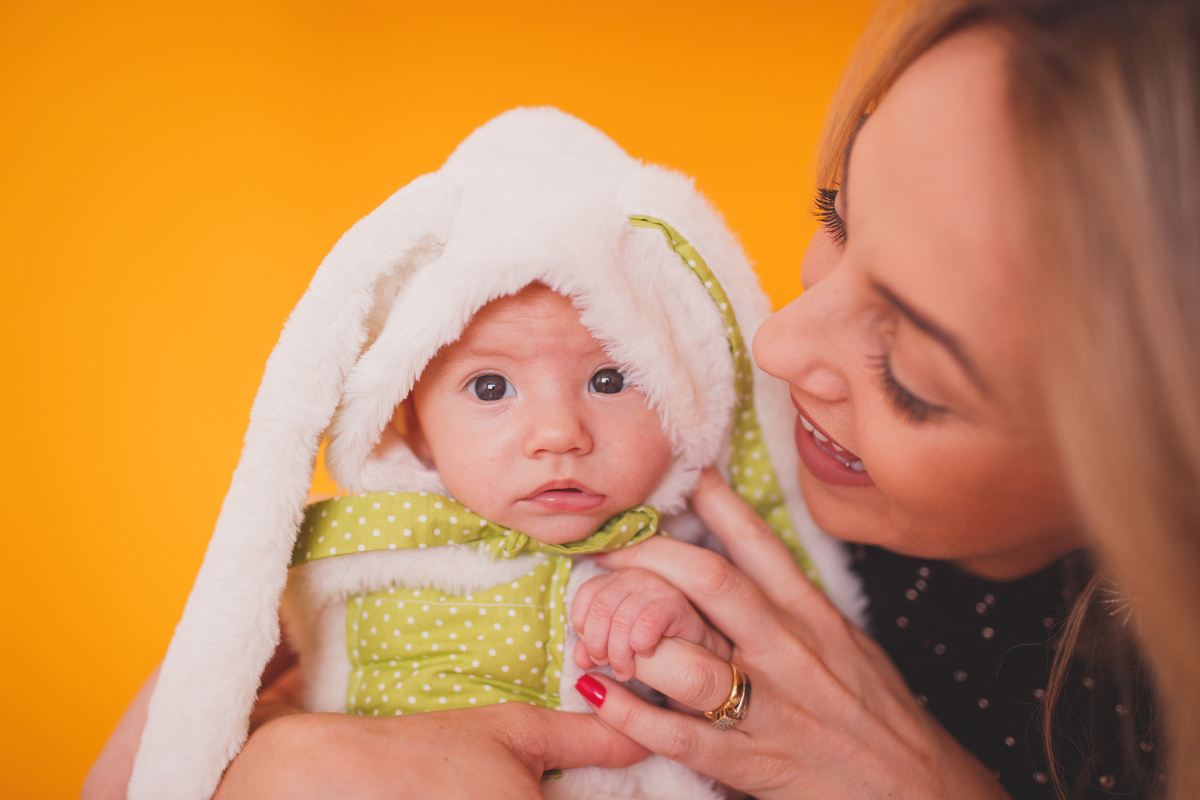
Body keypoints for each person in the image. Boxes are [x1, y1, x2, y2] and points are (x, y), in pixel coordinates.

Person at [88, 0, 1200, 798]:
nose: (776, 340)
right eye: (837, 216)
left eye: (912, 374)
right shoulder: (381, 558)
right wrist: (269, 767)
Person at [97, 107, 864, 800]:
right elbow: (190, 697)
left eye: (608, 379)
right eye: (491, 388)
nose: (558, 433)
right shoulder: (342, 546)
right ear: (414, 425)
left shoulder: (692, 560)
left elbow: (758, 713)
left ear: (679, 397)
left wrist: (684, 630)